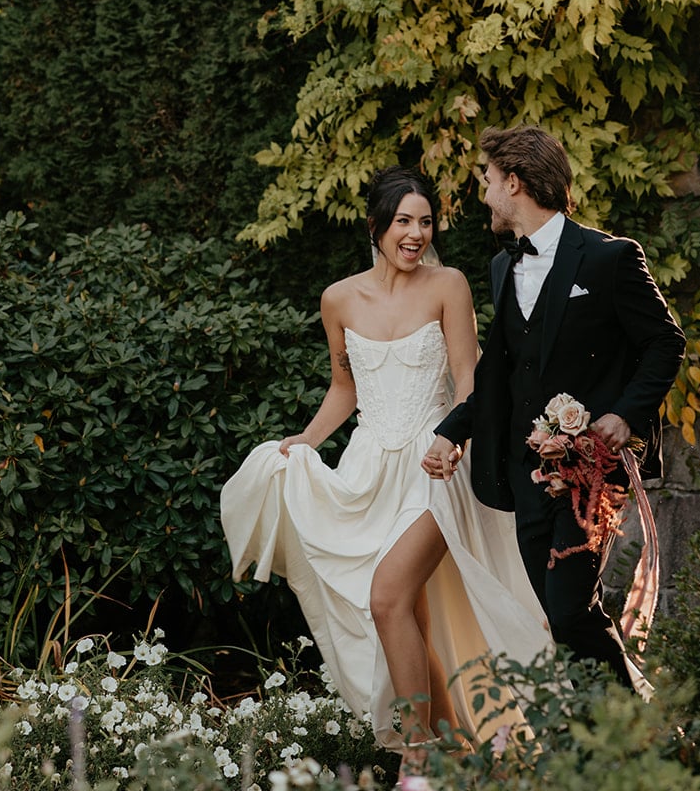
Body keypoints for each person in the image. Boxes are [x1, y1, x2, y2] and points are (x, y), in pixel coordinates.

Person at [220, 166, 546, 758]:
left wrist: (457, 439)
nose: (415, 234)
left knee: (387, 595)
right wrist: (307, 441)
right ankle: (453, 747)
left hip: (436, 464)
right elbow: (345, 389)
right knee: (408, 614)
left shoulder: (448, 285)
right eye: (403, 222)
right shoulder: (338, 299)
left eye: (425, 222)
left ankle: (415, 756)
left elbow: (470, 379)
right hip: (369, 467)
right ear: (376, 226)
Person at [422, 126, 686, 688]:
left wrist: (626, 413)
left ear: (513, 183)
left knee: (570, 610)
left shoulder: (610, 258)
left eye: (489, 182)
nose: (485, 195)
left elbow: (666, 340)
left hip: (591, 469)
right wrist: (453, 431)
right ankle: (614, 747)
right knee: (564, 619)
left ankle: (634, 735)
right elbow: (500, 370)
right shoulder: (502, 268)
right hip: (524, 472)